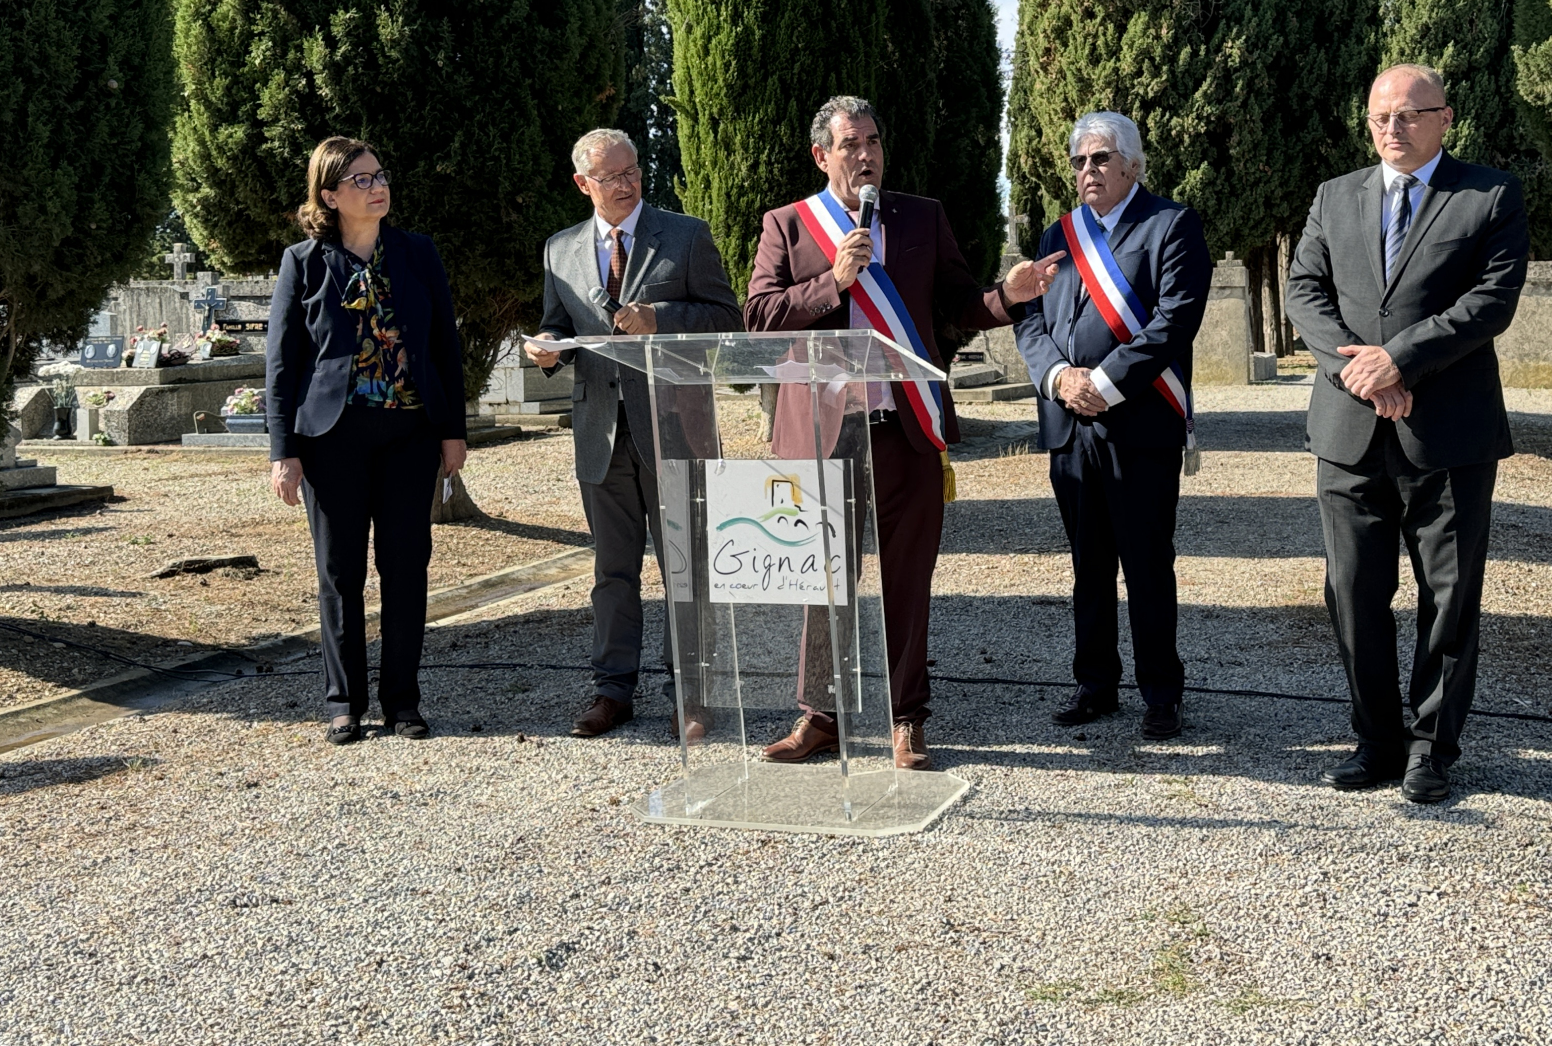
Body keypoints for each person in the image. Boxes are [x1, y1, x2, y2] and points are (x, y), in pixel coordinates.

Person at [745, 96, 1063, 770]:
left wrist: (1009, 297)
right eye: (850, 143)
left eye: (873, 141)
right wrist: (832, 282)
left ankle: (905, 717)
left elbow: (954, 307)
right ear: (821, 155)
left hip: (904, 430)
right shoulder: (789, 226)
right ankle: (821, 717)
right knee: (823, 580)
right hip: (823, 436)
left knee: (907, 581)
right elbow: (759, 318)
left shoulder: (921, 217)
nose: (865, 155)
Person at [1285, 63, 1528, 803]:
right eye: (1380, 117)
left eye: (1411, 115)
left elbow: (1493, 298)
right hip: (1348, 429)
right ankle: (1376, 739)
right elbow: (1305, 289)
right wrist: (1357, 371)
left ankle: (1431, 748)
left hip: (1448, 433)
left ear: (1446, 118)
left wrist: (1401, 360)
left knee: (1448, 597)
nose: (1394, 129)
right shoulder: (1335, 196)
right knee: (1352, 591)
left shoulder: (1488, 194)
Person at [522, 128, 740, 741]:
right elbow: (557, 325)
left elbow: (728, 318)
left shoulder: (687, 234)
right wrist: (547, 351)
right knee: (611, 572)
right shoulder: (560, 249)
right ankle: (612, 691)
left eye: (633, 170)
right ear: (582, 183)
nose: (627, 183)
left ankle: (691, 694)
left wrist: (660, 319)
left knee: (685, 569)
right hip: (598, 432)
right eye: (611, 176)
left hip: (675, 430)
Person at [1014, 112, 1212, 741]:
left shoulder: (1171, 226)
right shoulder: (1058, 233)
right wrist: (1059, 380)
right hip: (1068, 423)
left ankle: (1161, 692)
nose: (1087, 171)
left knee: (1147, 561)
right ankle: (1095, 683)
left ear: (1132, 164)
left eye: (1100, 159)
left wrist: (1102, 382)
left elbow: (1176, 318)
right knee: (1089, 564)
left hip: (1139, 422)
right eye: (1078, 162)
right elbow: (1029, 321)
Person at [267, 137, 468, 745]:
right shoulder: (302, 262)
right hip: (332, 438)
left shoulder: (417, 253)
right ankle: (344, 701)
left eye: (380, 175)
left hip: (410, 433)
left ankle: (402, 702)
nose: (376, 187)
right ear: (329, 195)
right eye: (359, 180)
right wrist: (283, 452)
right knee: (339, 572)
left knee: (406, 567)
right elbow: (282, 363)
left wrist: (453, 431)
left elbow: (444, 348)